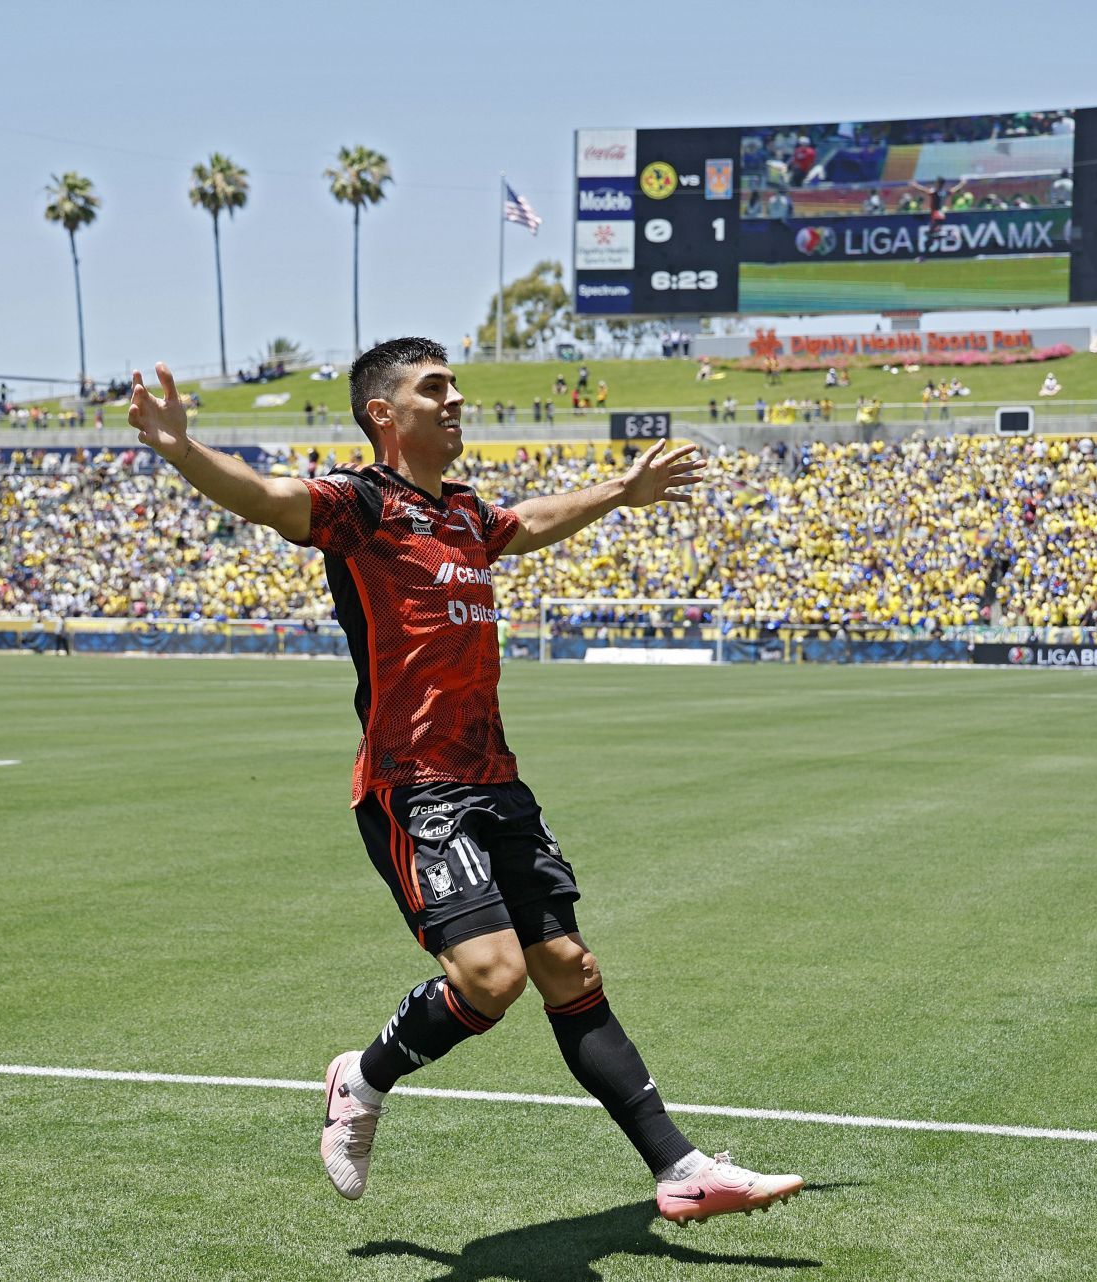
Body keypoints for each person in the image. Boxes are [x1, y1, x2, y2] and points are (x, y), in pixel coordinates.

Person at [125, 339, 802, 1223]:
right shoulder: (360, 506)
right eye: (433, 388)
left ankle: (679, 1171)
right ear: (384, 415)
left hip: (497, 782)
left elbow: (534, 521)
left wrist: (620, 492)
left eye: (454, 386)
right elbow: (270, 498)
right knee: (492, 975)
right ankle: (362, 1080)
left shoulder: (468, 516)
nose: (455, 400)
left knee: (567, 965)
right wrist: (182, 450)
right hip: (416, 786)